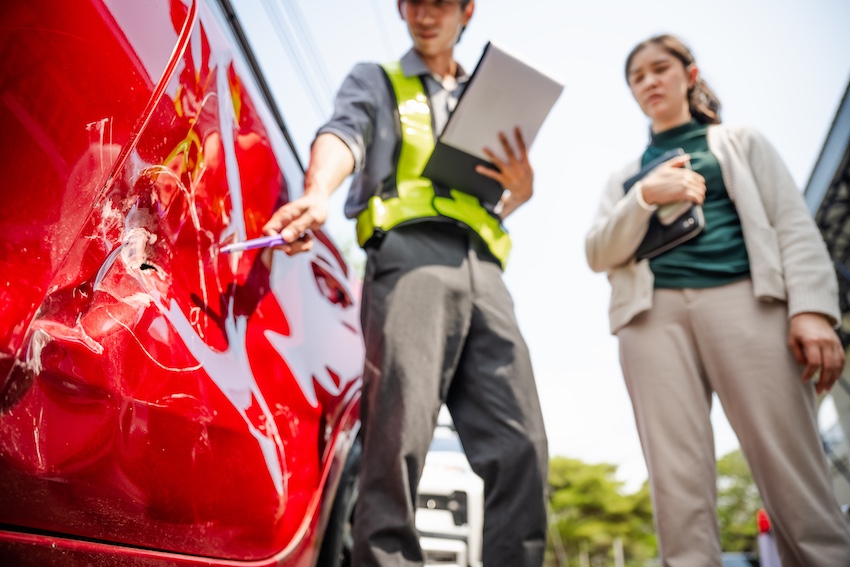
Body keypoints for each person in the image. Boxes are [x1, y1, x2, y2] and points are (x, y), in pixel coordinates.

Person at [262, 1, 549, 565]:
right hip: (409, 260)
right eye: (415, 0)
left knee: (523, 447)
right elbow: (342, 133)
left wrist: (522, 190)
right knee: (397, 441)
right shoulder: (378, 79)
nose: (426, 13)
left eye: (442, 2)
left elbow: (497, 190)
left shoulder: (488, 97)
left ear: (467, 11)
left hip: (486, 272)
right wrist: (318, 191)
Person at [585, 34, 850, 567]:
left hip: (747, 303)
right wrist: (644, 196)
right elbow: (598, 252)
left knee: (791, 467)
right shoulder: (624, 177)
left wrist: (812, 310)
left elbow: (793, 225)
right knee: (675, 478)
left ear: (690, 74)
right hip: (651, 319)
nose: (649, 81)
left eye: (660, 68)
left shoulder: (740, 141)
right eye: (637, 77)